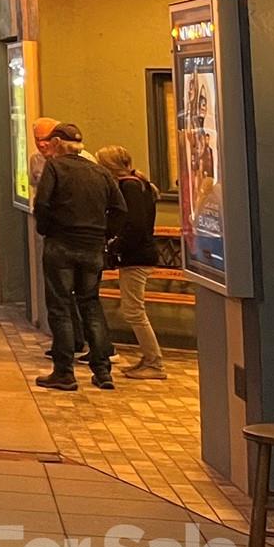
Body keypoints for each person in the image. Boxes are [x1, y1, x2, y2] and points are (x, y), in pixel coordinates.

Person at [32, 121, 124, 391]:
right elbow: (119, 208)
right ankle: (102, 370)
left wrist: (46, 230)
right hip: (92, 247)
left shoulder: (55, 167)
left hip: (61, 244)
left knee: (60, 306)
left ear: (58, 144)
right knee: (91, 304)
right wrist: (105, 235)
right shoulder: (100, 172)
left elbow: (43, 203)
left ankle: (64, 371)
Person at [98, 145, 167, 380]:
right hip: (139, 254)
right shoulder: (140, 184)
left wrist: (114, 247)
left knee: (134, 310)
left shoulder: (129, 187)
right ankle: (148, 358)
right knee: (134, 309)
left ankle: (155, 362)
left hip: (136, 256)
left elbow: (134, 225)